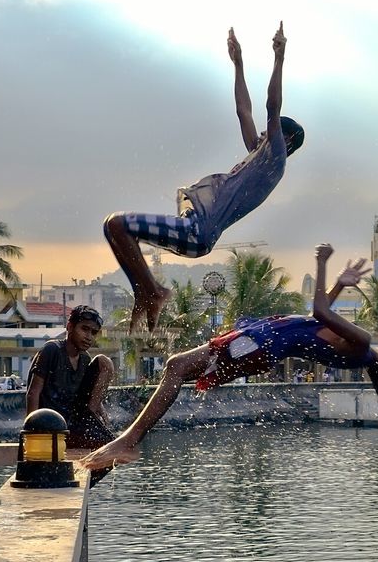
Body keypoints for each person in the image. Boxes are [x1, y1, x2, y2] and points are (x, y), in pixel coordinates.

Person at [80, 244, 378, 470]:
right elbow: (319, 322)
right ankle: (128, 440)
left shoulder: (363, 344)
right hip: (263, 345)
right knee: (177, 368)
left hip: (262, 343)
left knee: (176, 366)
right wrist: (341, 285)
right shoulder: (357, 355)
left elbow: (317, 310)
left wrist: (322, 262)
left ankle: (128, 441)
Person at [104, 22, 304, 334]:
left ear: (285, 141)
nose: (265, 132)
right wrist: (238, 64)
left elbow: (270, 107)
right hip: (195, 227)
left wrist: (279, 58)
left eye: (274, 130)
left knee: (117, 224)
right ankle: (147, 291)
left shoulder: (274, 162)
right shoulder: (256, 157)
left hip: (198, 231)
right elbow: (244, 111)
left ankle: (152, 292)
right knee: (115, 229)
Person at [26, 304, 115, 450]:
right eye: (84, 329)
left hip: (74, 424)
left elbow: (87, 393)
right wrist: (31, 433)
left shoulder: (85, 359)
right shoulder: (52, 350)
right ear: (70, 327)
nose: (89, 337)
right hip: (50, 423)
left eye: (93, 332)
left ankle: (88, 423)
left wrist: (101, 413)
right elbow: (33, 393)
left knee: (104, 362)